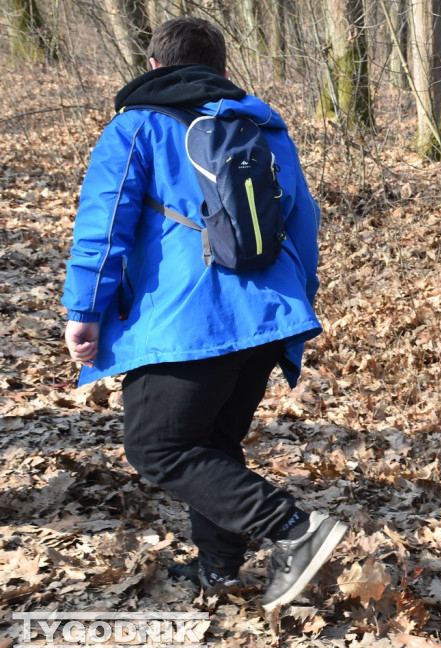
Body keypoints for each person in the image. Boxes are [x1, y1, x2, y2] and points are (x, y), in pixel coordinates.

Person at [61, 17, 345, 611]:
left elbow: (104, 223)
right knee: (213, 444)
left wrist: (83, 311)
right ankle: (220, 570)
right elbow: (303, 220)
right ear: (221, 67)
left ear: (155, 65)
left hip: (192, 321)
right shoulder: (261, 125)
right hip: (267, 315)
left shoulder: (136, 125)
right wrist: (297, 302)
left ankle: (296, 530)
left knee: (157, 447)